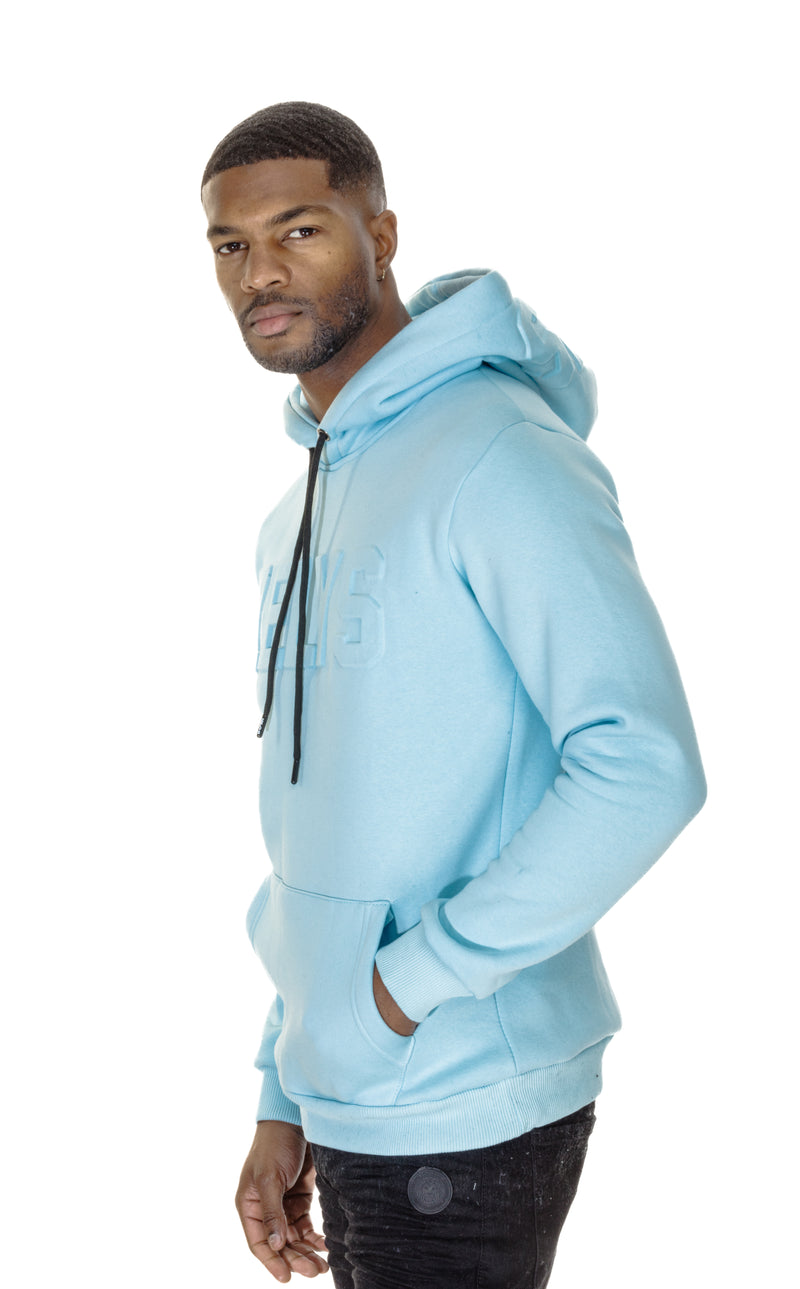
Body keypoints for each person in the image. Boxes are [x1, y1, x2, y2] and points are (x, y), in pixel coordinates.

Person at [200, 102, 706, 1288]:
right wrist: (287, 1082)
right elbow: (327, 828)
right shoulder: (298, 508)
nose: (261, 272)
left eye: (299, 230)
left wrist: (395, 994)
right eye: (230, 245)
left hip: (463, 1094)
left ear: (380, 234)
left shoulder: (498, 450)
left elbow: (641, 763)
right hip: (358, 1088)